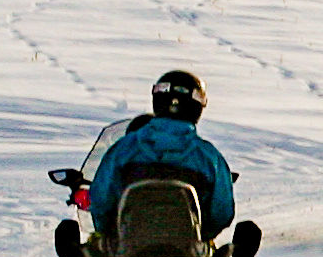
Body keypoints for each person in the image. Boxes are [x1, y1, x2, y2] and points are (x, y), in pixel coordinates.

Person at [87, 67, 236, 235]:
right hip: (188, 252)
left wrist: (109, 233)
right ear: (197, 106)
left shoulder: (124, 149)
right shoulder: (209, 157)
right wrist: (203, 235)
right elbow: (222, 212)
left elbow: (100, 200)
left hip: (126, 248)